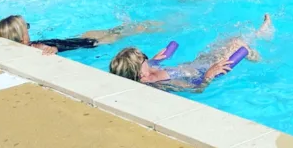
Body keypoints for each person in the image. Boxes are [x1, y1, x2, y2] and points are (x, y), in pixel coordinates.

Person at [108, 14, 272, 93]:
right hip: (207, 69)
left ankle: (258, 38)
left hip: (196, 63)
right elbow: (195, 89)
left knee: (230, 40)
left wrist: (156, 60)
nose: (146, 58)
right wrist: (208, 76)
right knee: (238, 44)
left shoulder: (146, 71)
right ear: (138, 71)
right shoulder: (158, 82)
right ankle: (262, 54)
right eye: (143, 58)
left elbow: (150, 65)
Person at [0, 16, 161, 55]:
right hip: (88, 44)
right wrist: (53, 49)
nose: (29, 27)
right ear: (22, 37)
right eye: (26, 26)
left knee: (119, 28)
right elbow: (48, 50)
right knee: (122, 32)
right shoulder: (32, 48)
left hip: (74, 38)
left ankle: (137, 25)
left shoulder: (11, 42)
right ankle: (152, 27)